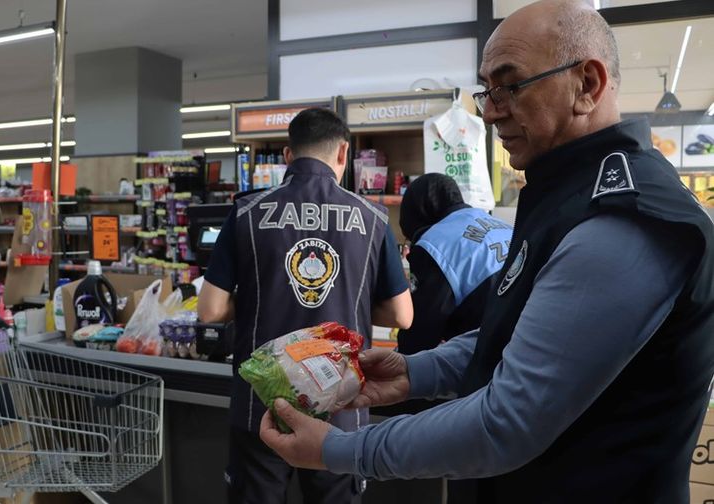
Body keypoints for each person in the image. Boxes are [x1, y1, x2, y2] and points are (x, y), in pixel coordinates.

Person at [258, 1, 714, 503]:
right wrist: (416, 372)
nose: (491, 110)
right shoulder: (568, 195)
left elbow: (506, 422)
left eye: (510, 85)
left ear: (587, 85)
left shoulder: (623, 221)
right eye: (487, 89)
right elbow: (525, 331)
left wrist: (343, 450)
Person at [198, 107, 413, 503]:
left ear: (287, 155)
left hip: (261, 403)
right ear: (344, 154)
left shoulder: (247, 212)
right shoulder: (372, 218)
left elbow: (209, 310)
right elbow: (402, 315)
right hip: (340, 403)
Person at [397, 173, 512, 355]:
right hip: (531, 340)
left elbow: (421, 332)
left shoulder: (434, 244)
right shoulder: (500, 225)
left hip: (494, 355)